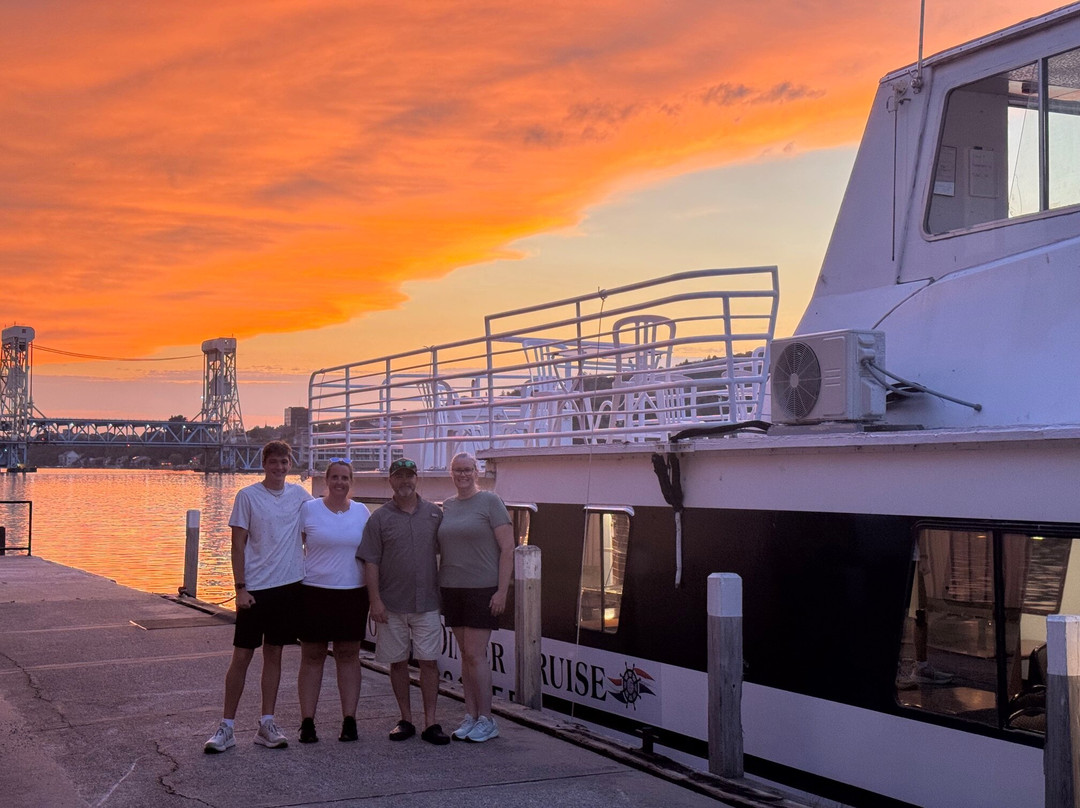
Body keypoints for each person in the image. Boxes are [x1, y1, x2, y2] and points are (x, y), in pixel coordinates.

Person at [204, 440, 312, 753]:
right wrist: (240, 588)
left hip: (289, 586)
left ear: (290, 464)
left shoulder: (299, 496)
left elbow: (314, 528)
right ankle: (227, 727)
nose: (279, 468)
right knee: (241, 656)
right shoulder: (247, 496)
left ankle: (267, 724)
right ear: (264, 464)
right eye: (273, 462)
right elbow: (237, 546)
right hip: (255, 590)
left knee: (274, 654)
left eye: (284, 462)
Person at [357, 458, 451, 745]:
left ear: (417, 479)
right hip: (392, 604)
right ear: (390, 481)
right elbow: (370, 562)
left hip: (428, 603)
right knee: (397, 663)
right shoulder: (379, 518)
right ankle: (406, 719)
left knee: (429, 662)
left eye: (409, 476)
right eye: (399, 476)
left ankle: (431, 722)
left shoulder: (435, 515)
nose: (405, 481)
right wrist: (375, 601)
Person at [437, 452, 514, 743]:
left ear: (477, 472)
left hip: (483, 589)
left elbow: (508, 548)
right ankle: (470, 715)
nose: (463, 475)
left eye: (468, 470)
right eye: (457, 470)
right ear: (452, 473)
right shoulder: (448, 506)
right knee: (464, 657)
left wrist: (502, 590)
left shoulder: (491, 502)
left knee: (475, 655)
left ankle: (487, 719)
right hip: (452, 588)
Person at [296, 459, 371, 744]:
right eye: (336, 477)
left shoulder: (362, 512)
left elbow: (370, 554)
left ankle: (349, 721)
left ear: (351, 482)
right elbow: (295, 547)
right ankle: (307, 722)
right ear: (327, 480)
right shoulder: (309, 509)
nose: (340, 482)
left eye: (346, 478)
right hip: (314, 591)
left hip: (353, 592)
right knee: (312, 656)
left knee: (349, 656)